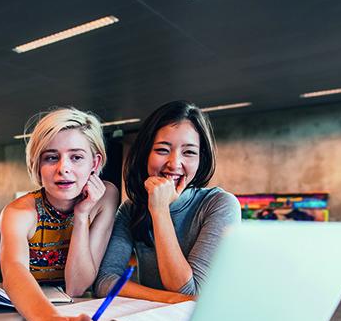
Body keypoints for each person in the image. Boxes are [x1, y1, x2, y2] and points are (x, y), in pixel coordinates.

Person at [0, 107, 119, 321]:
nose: (63, 169)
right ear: (37, 164)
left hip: (78, 313)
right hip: (27, 316)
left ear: (95, 164)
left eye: (76, 157)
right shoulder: (19, 212)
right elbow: (13, 271)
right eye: (51, 157)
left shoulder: (106, 197)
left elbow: (77, 286)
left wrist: (81, 216)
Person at [95, 100, 241, 301]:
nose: (174, 164)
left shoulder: (220, 205)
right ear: (146, 153)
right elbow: (105, 281)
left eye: (189, 152)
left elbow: (189, 290)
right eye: (163, 150)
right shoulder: (131, 209)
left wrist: (160, 210)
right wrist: (168, 299)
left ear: (201, 159)